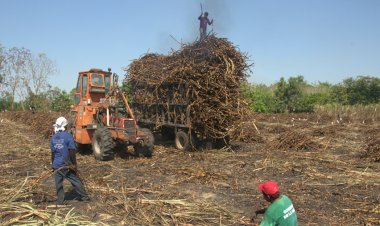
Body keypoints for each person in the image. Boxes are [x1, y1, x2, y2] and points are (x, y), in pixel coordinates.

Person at [50, 116, 90, 205]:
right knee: (75, 180)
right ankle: (84, 197)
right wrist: (74, 165)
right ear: (65, 126)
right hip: (66, 164)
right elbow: (72, 152)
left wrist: (53, 165)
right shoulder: (68, 137)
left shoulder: (53, 138)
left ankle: (61, 200)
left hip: (56, 164)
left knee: (58, 183)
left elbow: (53, 153)